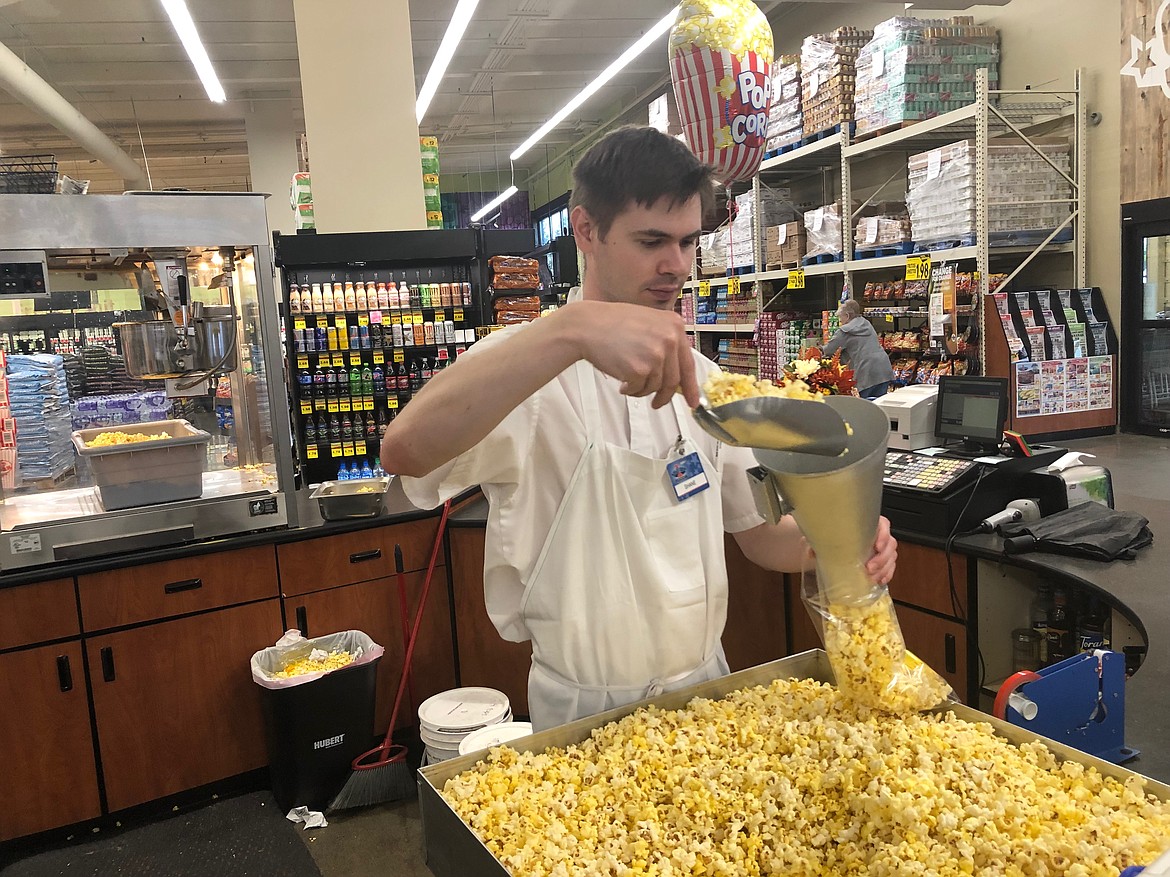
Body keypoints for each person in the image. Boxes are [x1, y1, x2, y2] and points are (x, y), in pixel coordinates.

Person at [380, 126, 897, 732]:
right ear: (586, 231)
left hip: (706, 699)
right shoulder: (529, 371)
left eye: (687, 242)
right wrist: (571, 331)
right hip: (581, 719)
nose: (675, 265)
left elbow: (760, 536)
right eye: (651, 241)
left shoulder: (703, 382)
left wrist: (839, 540)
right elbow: (405, 452)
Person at [821, 298, 895, 400]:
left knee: (866, 408)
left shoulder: (844, 331)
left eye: (840, 317)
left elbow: (828, 351)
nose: (840, 321)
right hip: (883, 369)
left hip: (865, 373)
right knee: (879, 406)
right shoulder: (866, 324)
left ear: (847, 316)